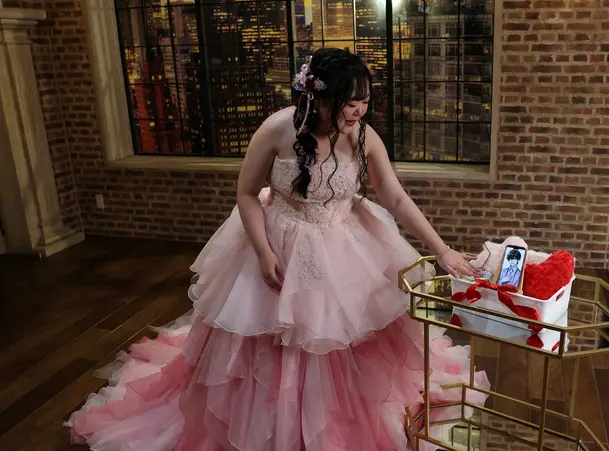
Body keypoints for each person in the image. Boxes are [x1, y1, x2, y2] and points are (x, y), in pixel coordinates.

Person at [67, 48, 490, 451]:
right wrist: (264, 251)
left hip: (345, 243)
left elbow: (394, 197)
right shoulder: (277, 129)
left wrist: (442, 250)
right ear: (320, 97)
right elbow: (247, 193)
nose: (359, 111)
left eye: (364, 101)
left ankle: (336, 421)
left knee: (345, 334)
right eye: (350, 102)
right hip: (282, 239)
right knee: (273, 340)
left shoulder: (363, 135)